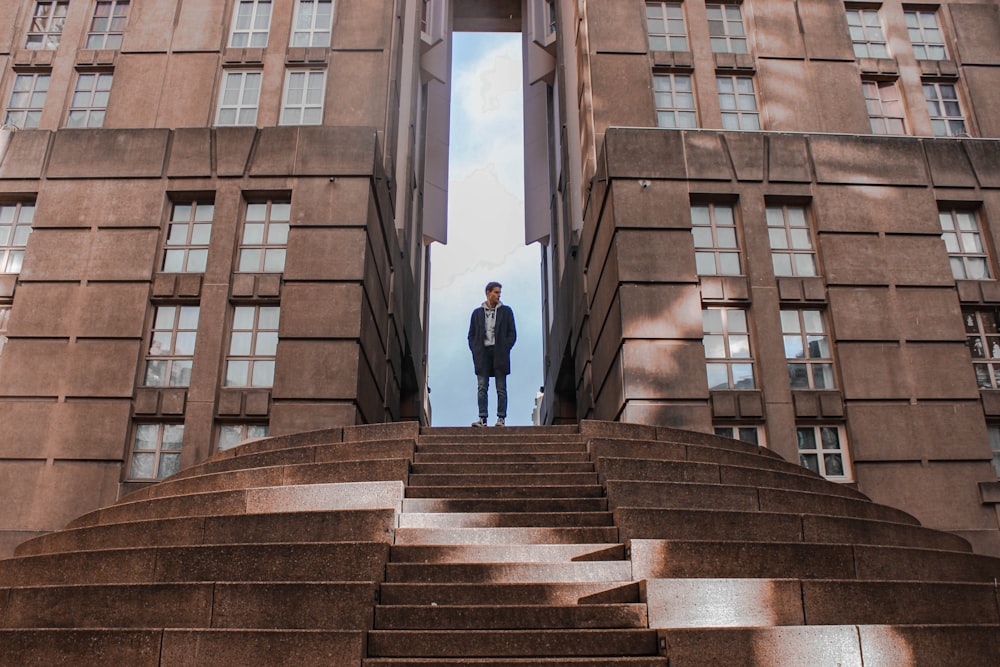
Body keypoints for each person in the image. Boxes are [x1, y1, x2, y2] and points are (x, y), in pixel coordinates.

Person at [468, 281, 516, 427]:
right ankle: (482, 418)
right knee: (482, 387)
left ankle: (501, 418)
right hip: (482, 353)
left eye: (499, 292)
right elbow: (471, 335)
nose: (498, 295)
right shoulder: (477, 313)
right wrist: (476, 349)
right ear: (488, 293)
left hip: (499, 352)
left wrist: (505, 347)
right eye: (496, 292)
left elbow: (512, 333)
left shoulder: (506, 311)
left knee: (501, 387)